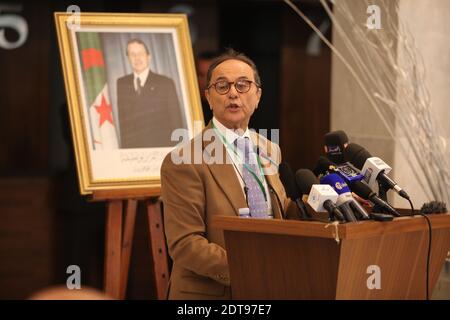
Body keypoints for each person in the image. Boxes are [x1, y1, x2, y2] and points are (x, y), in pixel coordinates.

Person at [161, 49, 301, 300]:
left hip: (270, 287)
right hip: (212, 294)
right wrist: (250, 269)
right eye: (222, 86)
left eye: (243, 85)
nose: (233, 93)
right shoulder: (184, 160)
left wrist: (325, 207)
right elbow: (186, 243)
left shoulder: (270, 149)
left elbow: (278, 210)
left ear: (258, 95)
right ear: (209, 97)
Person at [117, 38, 185, 148]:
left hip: (161, 149)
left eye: (140, 53)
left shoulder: (165, 83)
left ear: (149, 56)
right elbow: (124, 124)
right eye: (132, 54)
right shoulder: (121, 83)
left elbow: (176, 121)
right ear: (128, 58)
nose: (137, 58)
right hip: (134, 151)